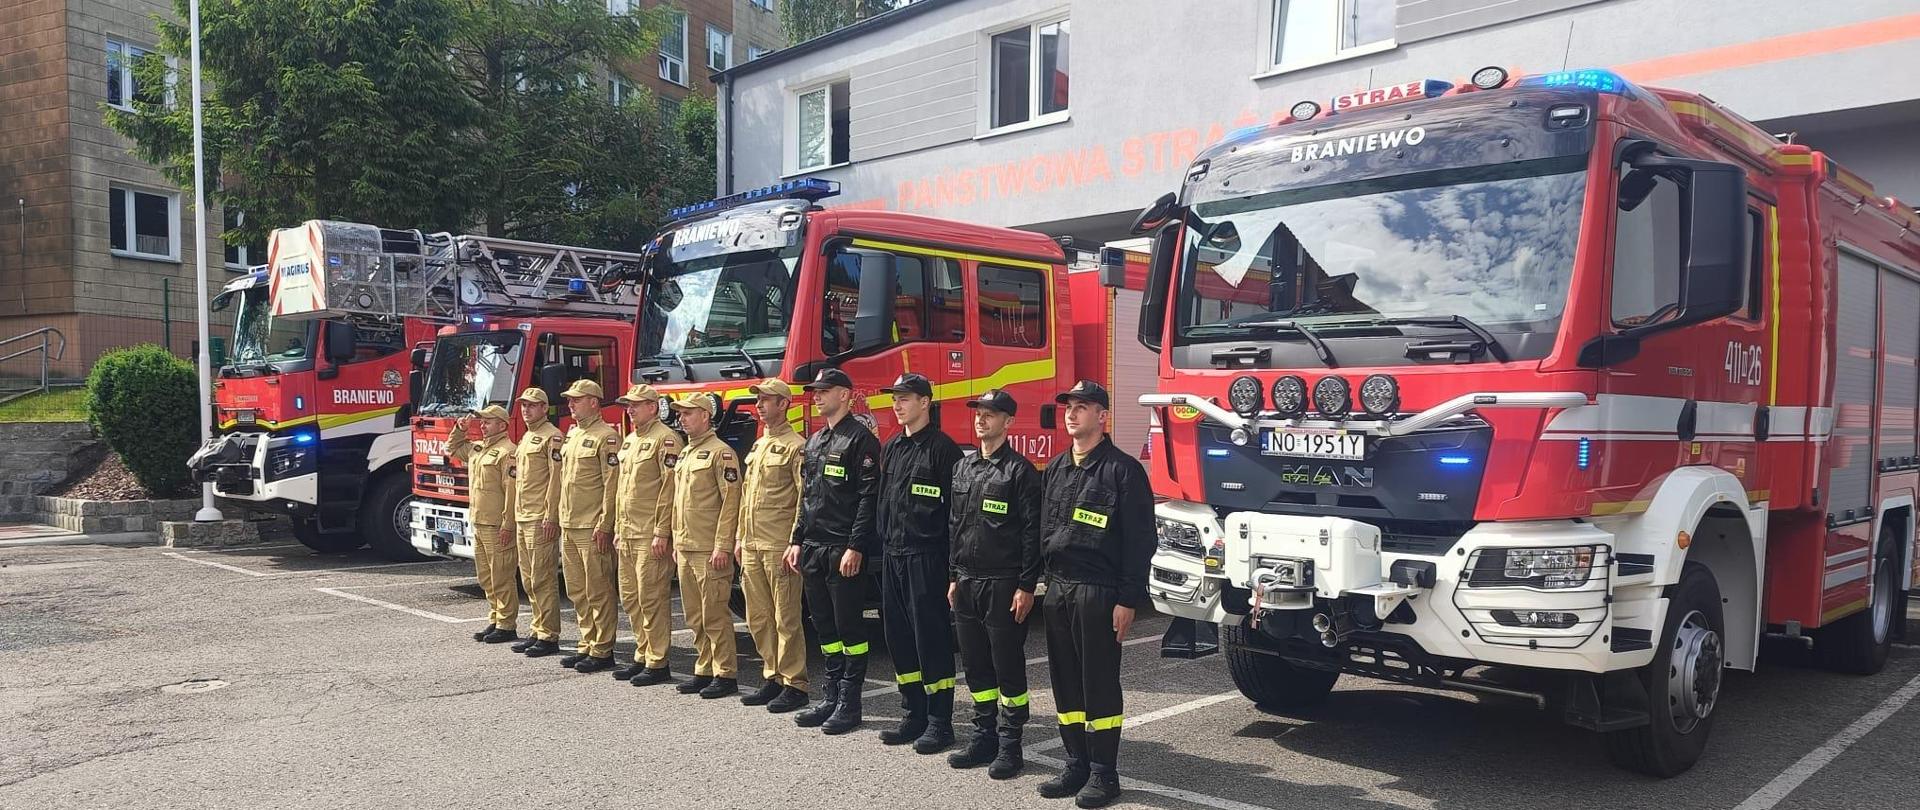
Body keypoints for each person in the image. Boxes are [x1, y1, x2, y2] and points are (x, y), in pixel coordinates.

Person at [1035, 380, 1154, 809]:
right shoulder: (1056, 469)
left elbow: (1140, 541)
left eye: (1082, 407)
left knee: (1099, 682)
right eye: (1069, 406)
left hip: (1100, 592)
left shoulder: (1122, 471)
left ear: (1102, 416)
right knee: (1065, 681)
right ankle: (1075, 764)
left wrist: (1128, 599)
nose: (1072, 414)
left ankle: (1105, 772)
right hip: (1059, 588)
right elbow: (1041, 531)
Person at [945, 389, 1042, 778]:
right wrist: (953, 575)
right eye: (979, 413)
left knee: (1007, 666)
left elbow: (1032, 533)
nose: (981, 419)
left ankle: (1010, 745)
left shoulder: (1020, 472)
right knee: (975, 666)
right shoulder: (963, 469)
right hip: (967, 581)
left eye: (991, 414)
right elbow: (955, 526)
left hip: (1003, 583)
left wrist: (1027, 586)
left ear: (1008, 422)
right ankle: (983, 736)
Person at [784, 367, 880, 735]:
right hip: (813, 547)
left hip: (842, 549)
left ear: (846, 395)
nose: (817, 396)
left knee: (849, 627)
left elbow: (867, 498)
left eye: (825, 390)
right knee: (824, 626)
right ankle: (830, 695)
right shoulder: (815, 441)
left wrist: (856, 546)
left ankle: (850, 703)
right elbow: (806, 498)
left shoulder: (860, 439)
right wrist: (796, 539)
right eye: (815, 391)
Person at [874, 372, 964, 753]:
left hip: (927, 559)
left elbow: (956, 517)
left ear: (925, 402)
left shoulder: (945, 451)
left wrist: (951, 571)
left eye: (905, 398)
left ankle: (941, 722)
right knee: (899, 640)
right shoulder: (892, 447)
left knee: (932, 640)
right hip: (893, 557)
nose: (897, 404)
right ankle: (913, 713)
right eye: (895, 398)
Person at [735, 378, 811, 713]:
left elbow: (803, 500)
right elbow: (745, 499)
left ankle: (795, 683)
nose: (760, 405)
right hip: (752, 543)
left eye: (767, 400)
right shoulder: (758, 446)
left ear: (784, 404)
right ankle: (772, 675)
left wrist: (795, 541)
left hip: (778, 544)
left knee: (786, 618)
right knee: (757, 616)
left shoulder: (797, 447)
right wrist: (739, 537)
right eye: (759, 400)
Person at [664, 391, 742, 699]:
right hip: (686, 545)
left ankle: (725, 673)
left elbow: (730, 502)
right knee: (694, 615)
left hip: (709, 549)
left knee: (714, 614)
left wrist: (722, 546)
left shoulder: (720, 452)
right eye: (680, 414)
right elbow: (677, 503)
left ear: (705, 416)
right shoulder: (685, 453)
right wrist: (675, 539)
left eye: (688, 413)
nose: (681, 418)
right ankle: (704, 667)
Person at [610, 384, 681, 685]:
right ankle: (643, 654)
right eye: (628, 404)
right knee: (631, 597)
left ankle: (657, 661)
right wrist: (616, 529)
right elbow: (621, 491)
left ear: (653, 407)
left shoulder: (665, 440)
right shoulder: (630, 441)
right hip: (627, 533)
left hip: (649, 533)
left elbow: (670, 491)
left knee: (651, 598)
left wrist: (662, 532)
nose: (630, 409)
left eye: (636, 404)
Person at [554, 379, 622, 674]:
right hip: (570, 523)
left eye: (577, 399)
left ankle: (602, 649)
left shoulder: (606, 437)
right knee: (577, 590)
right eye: (570, 400)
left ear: (594, 402)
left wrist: (605, 523)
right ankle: (587, 642)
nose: (571, 404)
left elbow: (611, 484)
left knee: (598, 589)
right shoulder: (572, 434)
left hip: (591, 525)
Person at [450, 404, 519, 645]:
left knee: (502, 574)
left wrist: (508, 523)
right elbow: (454, 448)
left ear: (502, 425)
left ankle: (507, 624)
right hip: (478, 520)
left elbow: (511, 492)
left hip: (496, 523)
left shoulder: (507, 452)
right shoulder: (478, 448)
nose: (482, 424)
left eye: (488, 421)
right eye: (482, 421)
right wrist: (460, 430)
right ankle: (496, 617)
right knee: (486, 576)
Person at [507, 388, 565, 658]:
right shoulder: (528, 436)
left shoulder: (551, 437)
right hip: (523, 515)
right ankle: (537, 627)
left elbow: (556, 480)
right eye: (523, 406)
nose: (526, 410)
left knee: (543, 577)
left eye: (532, 406)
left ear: (544, 408)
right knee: (529, 579)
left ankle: (548, 634)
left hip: (539, 518)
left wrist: (550, 514)